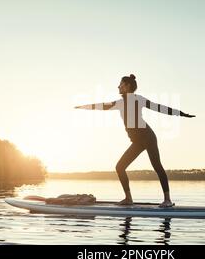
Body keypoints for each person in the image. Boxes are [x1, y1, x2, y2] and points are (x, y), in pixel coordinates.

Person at [75, 74, 195, 207]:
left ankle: (167, 200)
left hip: (148, 137)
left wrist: (181, 113)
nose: (118, 86)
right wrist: (83, 106)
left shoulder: (139, 99)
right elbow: (101, 106)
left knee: (157, 166)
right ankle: (128, 198)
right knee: (120, 167)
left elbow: (159, 107)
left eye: (121, 84)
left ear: (127, 86)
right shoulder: (119, 103)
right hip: (137, 142)